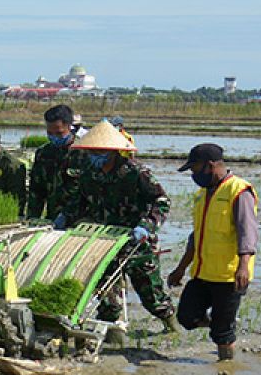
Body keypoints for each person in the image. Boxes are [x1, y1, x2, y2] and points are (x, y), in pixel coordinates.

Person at [59, 119, 180, 332]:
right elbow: (79, 201)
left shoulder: (135, 172)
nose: (93, 156)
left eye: (98, 152)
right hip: (105, 241)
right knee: (106, 295)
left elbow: (161, 201)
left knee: (151, 295)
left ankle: (171, 327)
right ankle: (113, 337)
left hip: (136, 243)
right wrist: (64, 218)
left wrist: (146, 226)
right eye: (90, 152)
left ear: (112, 151)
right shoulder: (88, 172)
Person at [167, 144, 257, 361]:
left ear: (209, 166)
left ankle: (225, 369)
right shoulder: (201, 195)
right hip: (202, 272)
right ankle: (219, 323)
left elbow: (248, 232)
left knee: (222, 333)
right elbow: (196, 236)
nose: (193, 174)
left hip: (229, 276)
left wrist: (243, 267)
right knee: (186, 317)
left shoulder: (238, 191)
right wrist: (181, 268)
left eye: (194, 168)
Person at [26, 103, 79, 220]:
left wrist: (68, 214)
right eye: (50, 133)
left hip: (80, 220)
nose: (54, 137)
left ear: (70, 127)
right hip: (52, 218)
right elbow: (36, 191)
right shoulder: (43, 154)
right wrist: (32, 219)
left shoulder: (83, 153)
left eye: (59, 133)